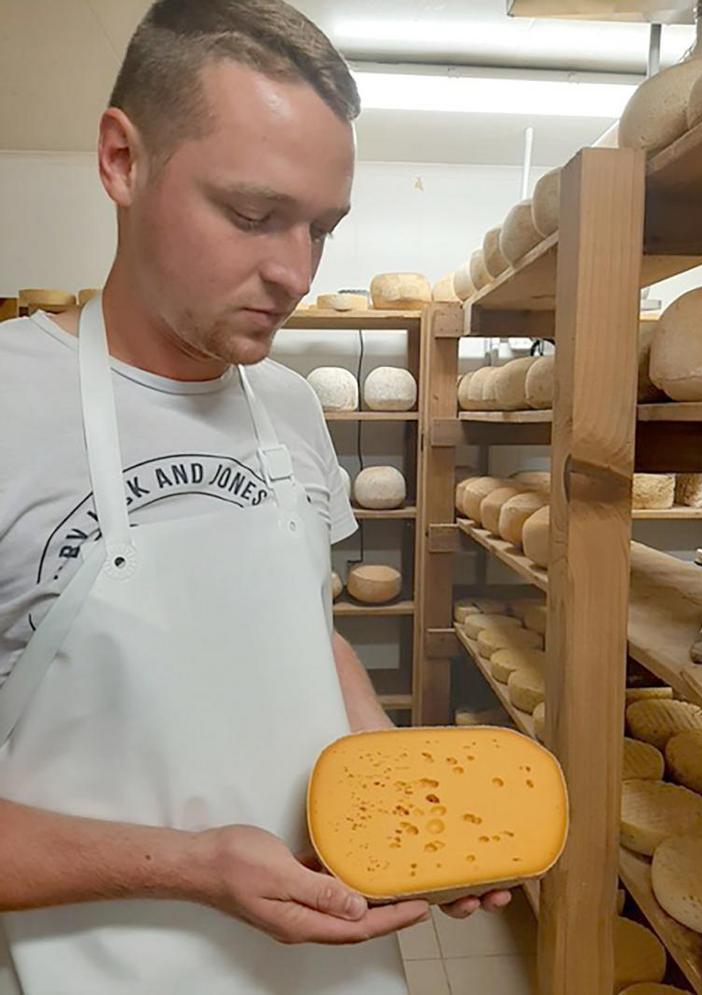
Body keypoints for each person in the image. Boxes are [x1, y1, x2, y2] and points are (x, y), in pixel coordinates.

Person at [0, 2, 510, 992]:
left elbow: (303, 636)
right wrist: (196, 867)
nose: (295, 272)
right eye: (251, 214)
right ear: (121, 160)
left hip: (339, 965)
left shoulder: (286, 407)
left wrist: (416, 803)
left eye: (321, 227)